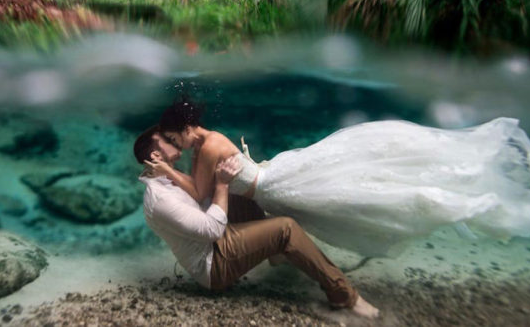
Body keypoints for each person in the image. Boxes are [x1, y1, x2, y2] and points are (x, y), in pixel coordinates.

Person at [155, 97, 530, 257]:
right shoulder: (207, 144)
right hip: (273, 181)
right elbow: (204, 188)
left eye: (177, 138)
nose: (179, 144)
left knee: (363, 196)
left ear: (189, 127)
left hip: (273, 186)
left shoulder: (206, 149)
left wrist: (165, 171)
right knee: (355, 187)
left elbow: (200, 192)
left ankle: (444, 202)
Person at [133, 125, 379, 318]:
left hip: (215, 242)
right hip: (213, 264)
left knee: (244, 194)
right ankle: (344, 297)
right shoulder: (160, 199)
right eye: (167, 139)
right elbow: (212, 229)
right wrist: (221, 184)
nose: (173, 138)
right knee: (286, 229)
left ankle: (278, 254)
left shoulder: (167, 178)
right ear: (156, 154)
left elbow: (202, 195)